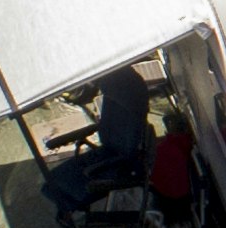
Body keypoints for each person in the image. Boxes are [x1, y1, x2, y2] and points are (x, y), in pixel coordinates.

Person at [43, 61, 158, 215]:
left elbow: (130, 152)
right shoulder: (117, 95)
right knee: (53, 185)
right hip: (110, 152)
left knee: (60, 189)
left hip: (121, 164)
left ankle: (82, 224)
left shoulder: (129, 96)